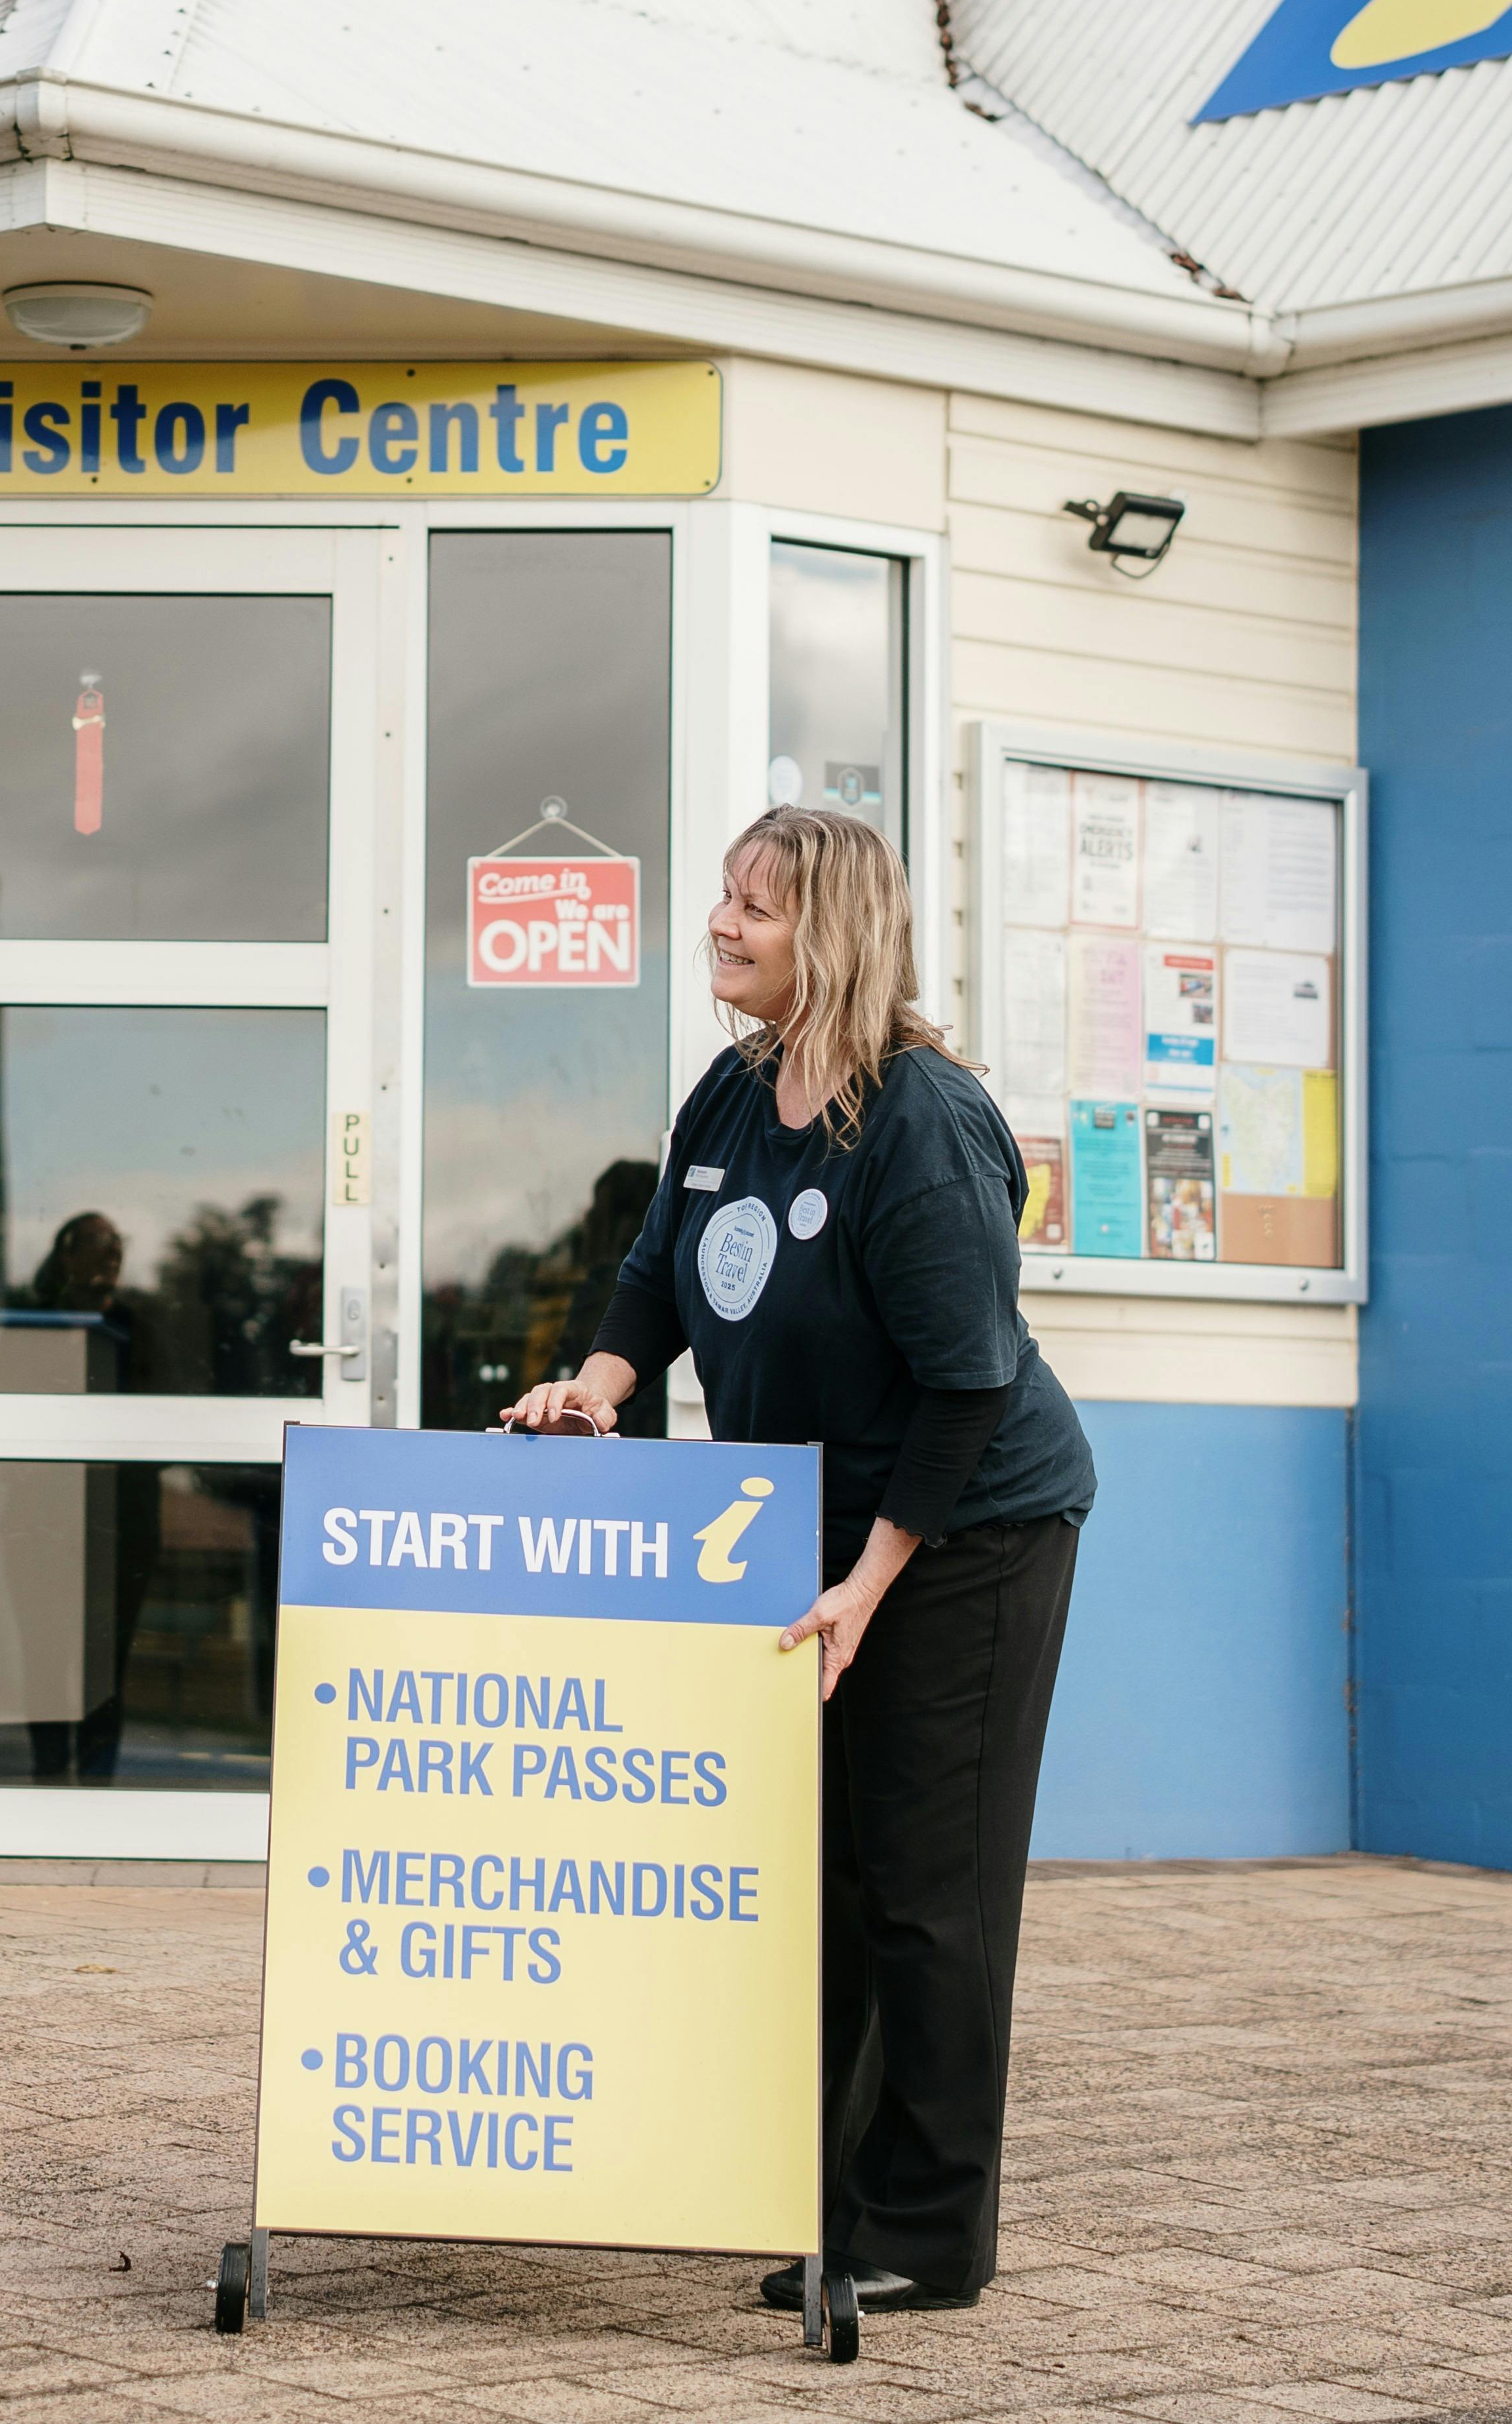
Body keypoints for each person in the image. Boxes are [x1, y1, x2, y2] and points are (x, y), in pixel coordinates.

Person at [500, 804, 1093, 2316]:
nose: (722, 924)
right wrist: (599, 1392)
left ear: (827, 929)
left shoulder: (921, 1119)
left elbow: (966, 1381)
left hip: (965, 1531)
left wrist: (871, 1580)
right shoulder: (733, 1088)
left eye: (755, 908)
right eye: (721, 898)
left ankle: (923, 2236)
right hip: (802, 1524)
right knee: (813, 1881)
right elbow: (658, 1277)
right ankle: (814, 2205)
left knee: (924, 1886)